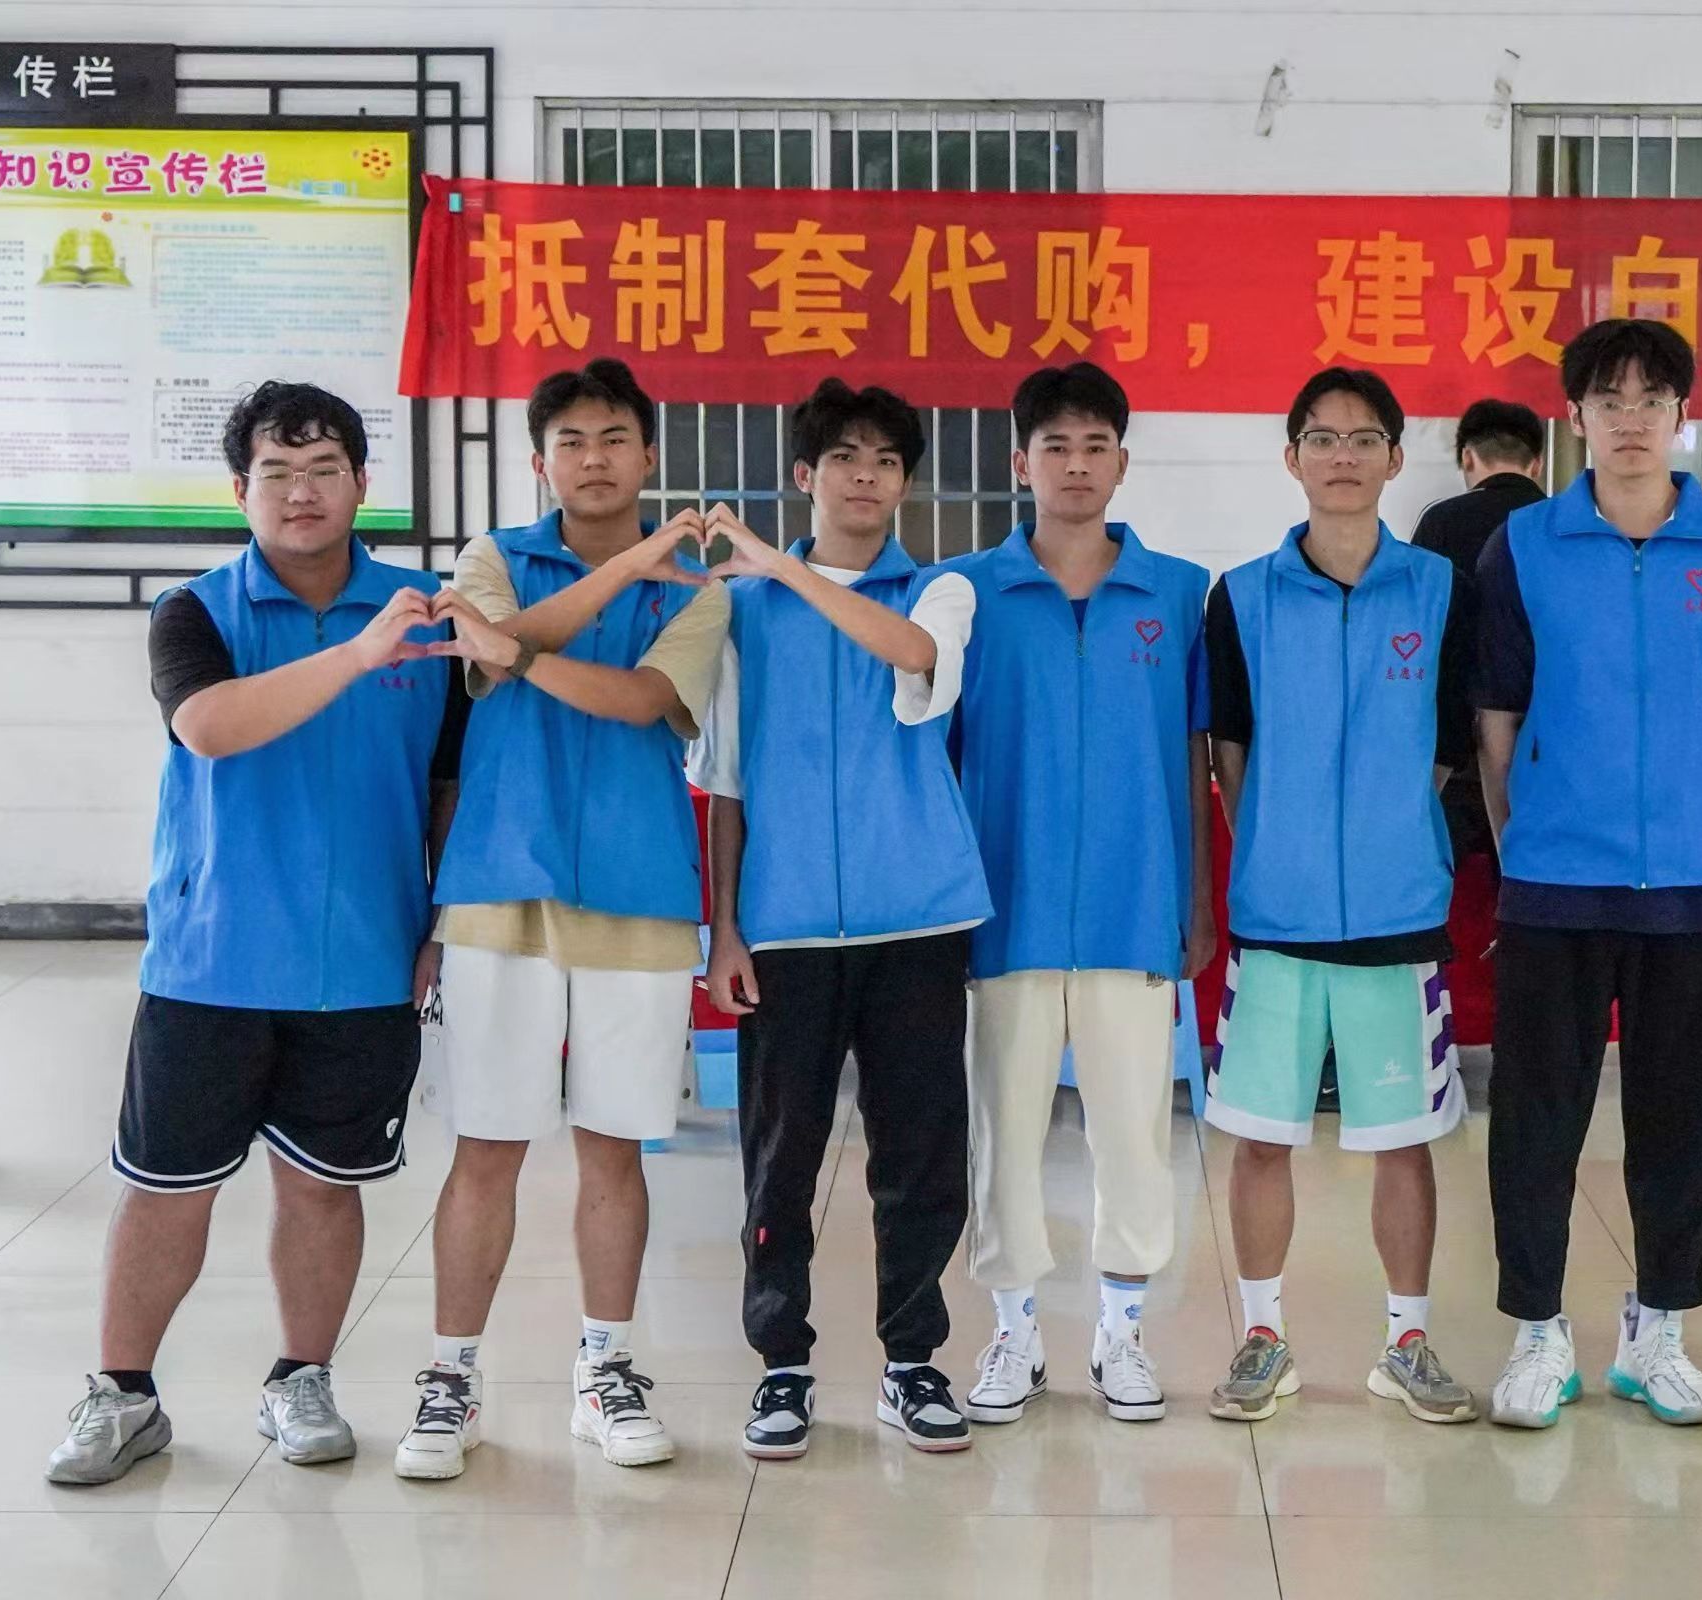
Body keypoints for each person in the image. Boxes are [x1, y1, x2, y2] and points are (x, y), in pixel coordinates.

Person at [48, 383, 464, 1485]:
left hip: (366, 958)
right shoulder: (194, 611)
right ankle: (122, 1393)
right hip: (213, 957)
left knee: (323, 1184)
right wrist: (360, 654)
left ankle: (301, 1378)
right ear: (241, 491)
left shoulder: (428, 621)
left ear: (362, 483)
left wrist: (443, 922)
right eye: (276, 472)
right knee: (167, 1184)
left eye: (324, 469)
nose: (300, 492)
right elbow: (210, 725)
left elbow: (449, 786)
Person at [395, 358, 727, 1480]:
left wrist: (514, 650)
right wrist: (624, 567)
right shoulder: (490, 557)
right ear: (541, 462)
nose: (594, 458)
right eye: (571, 441)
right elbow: (487, 649)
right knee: (486, 1145)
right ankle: (451, 1377)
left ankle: (606, 1369)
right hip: (500, 886)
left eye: (614, 438)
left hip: (640, 890)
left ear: (649, 456)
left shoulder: (700, 591)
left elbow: (640, 701)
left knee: (614, 1148)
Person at [1476, 317, 1702, 1430]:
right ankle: (1537, 1334)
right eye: (1610, 399)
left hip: (1689, 879)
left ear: (1683, 415)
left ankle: (1659, 1334)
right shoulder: (1524, 544)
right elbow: (1496, 717)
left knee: (1682, 1119)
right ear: (1576, 416)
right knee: (1537, 1118)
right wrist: (1525, 843)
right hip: (1555, 879)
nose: (1632, 419)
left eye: (1653, 399)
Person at [688, 377, 992, 1460]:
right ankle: (782, 1364)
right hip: (786, 927)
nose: (866, 477)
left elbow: (913, 661)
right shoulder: (742, 611)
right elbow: (724, 780)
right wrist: (725, 928)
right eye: (844, 459)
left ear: (905, 484)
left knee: (920, 1153)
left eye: (886, 462)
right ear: (804, 476)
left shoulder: (939, 591)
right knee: (780, 1156)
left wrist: (784, 568)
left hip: (918, 917)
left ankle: (914, 1361)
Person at [1203, 367, 1477, 1427]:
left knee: (1401, 1139)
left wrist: (1385, 828)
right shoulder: (1243, 596)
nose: (1344, 456)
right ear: (1292, 458)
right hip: (1276, 917)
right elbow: (1230, 749)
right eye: (1322, 438)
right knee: (1260, 1135)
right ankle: (1261, 1336)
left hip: (1399, 915)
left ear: (1397, 458)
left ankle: (1406, 1340)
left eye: (1365, 439)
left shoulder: (1442, 590)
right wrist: (1282, 842)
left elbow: (1453, 742)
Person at [944, 363, 1214, 1427]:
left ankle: (1121, 1331)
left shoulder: (1178, 593)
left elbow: (1193, 755)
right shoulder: (967, 593)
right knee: (1003, 1129)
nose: (1076, 464)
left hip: (1132, 904)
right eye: (1055, 445)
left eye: (1096, 445)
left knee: (1134, 1131)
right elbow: (938, 752)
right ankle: (1012, 1330)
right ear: (1022, 462)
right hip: (1002, 906)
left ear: (1123, 463)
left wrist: (1195, 899)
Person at [1411, 399, 1547, 888]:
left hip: (1455, 751)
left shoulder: (1441, 521)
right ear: (1537, 463)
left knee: (1437, 892)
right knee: (1531, 891)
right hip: (1542, 748)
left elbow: (1418, 630)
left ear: (1468, 457)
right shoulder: (1560, 526)